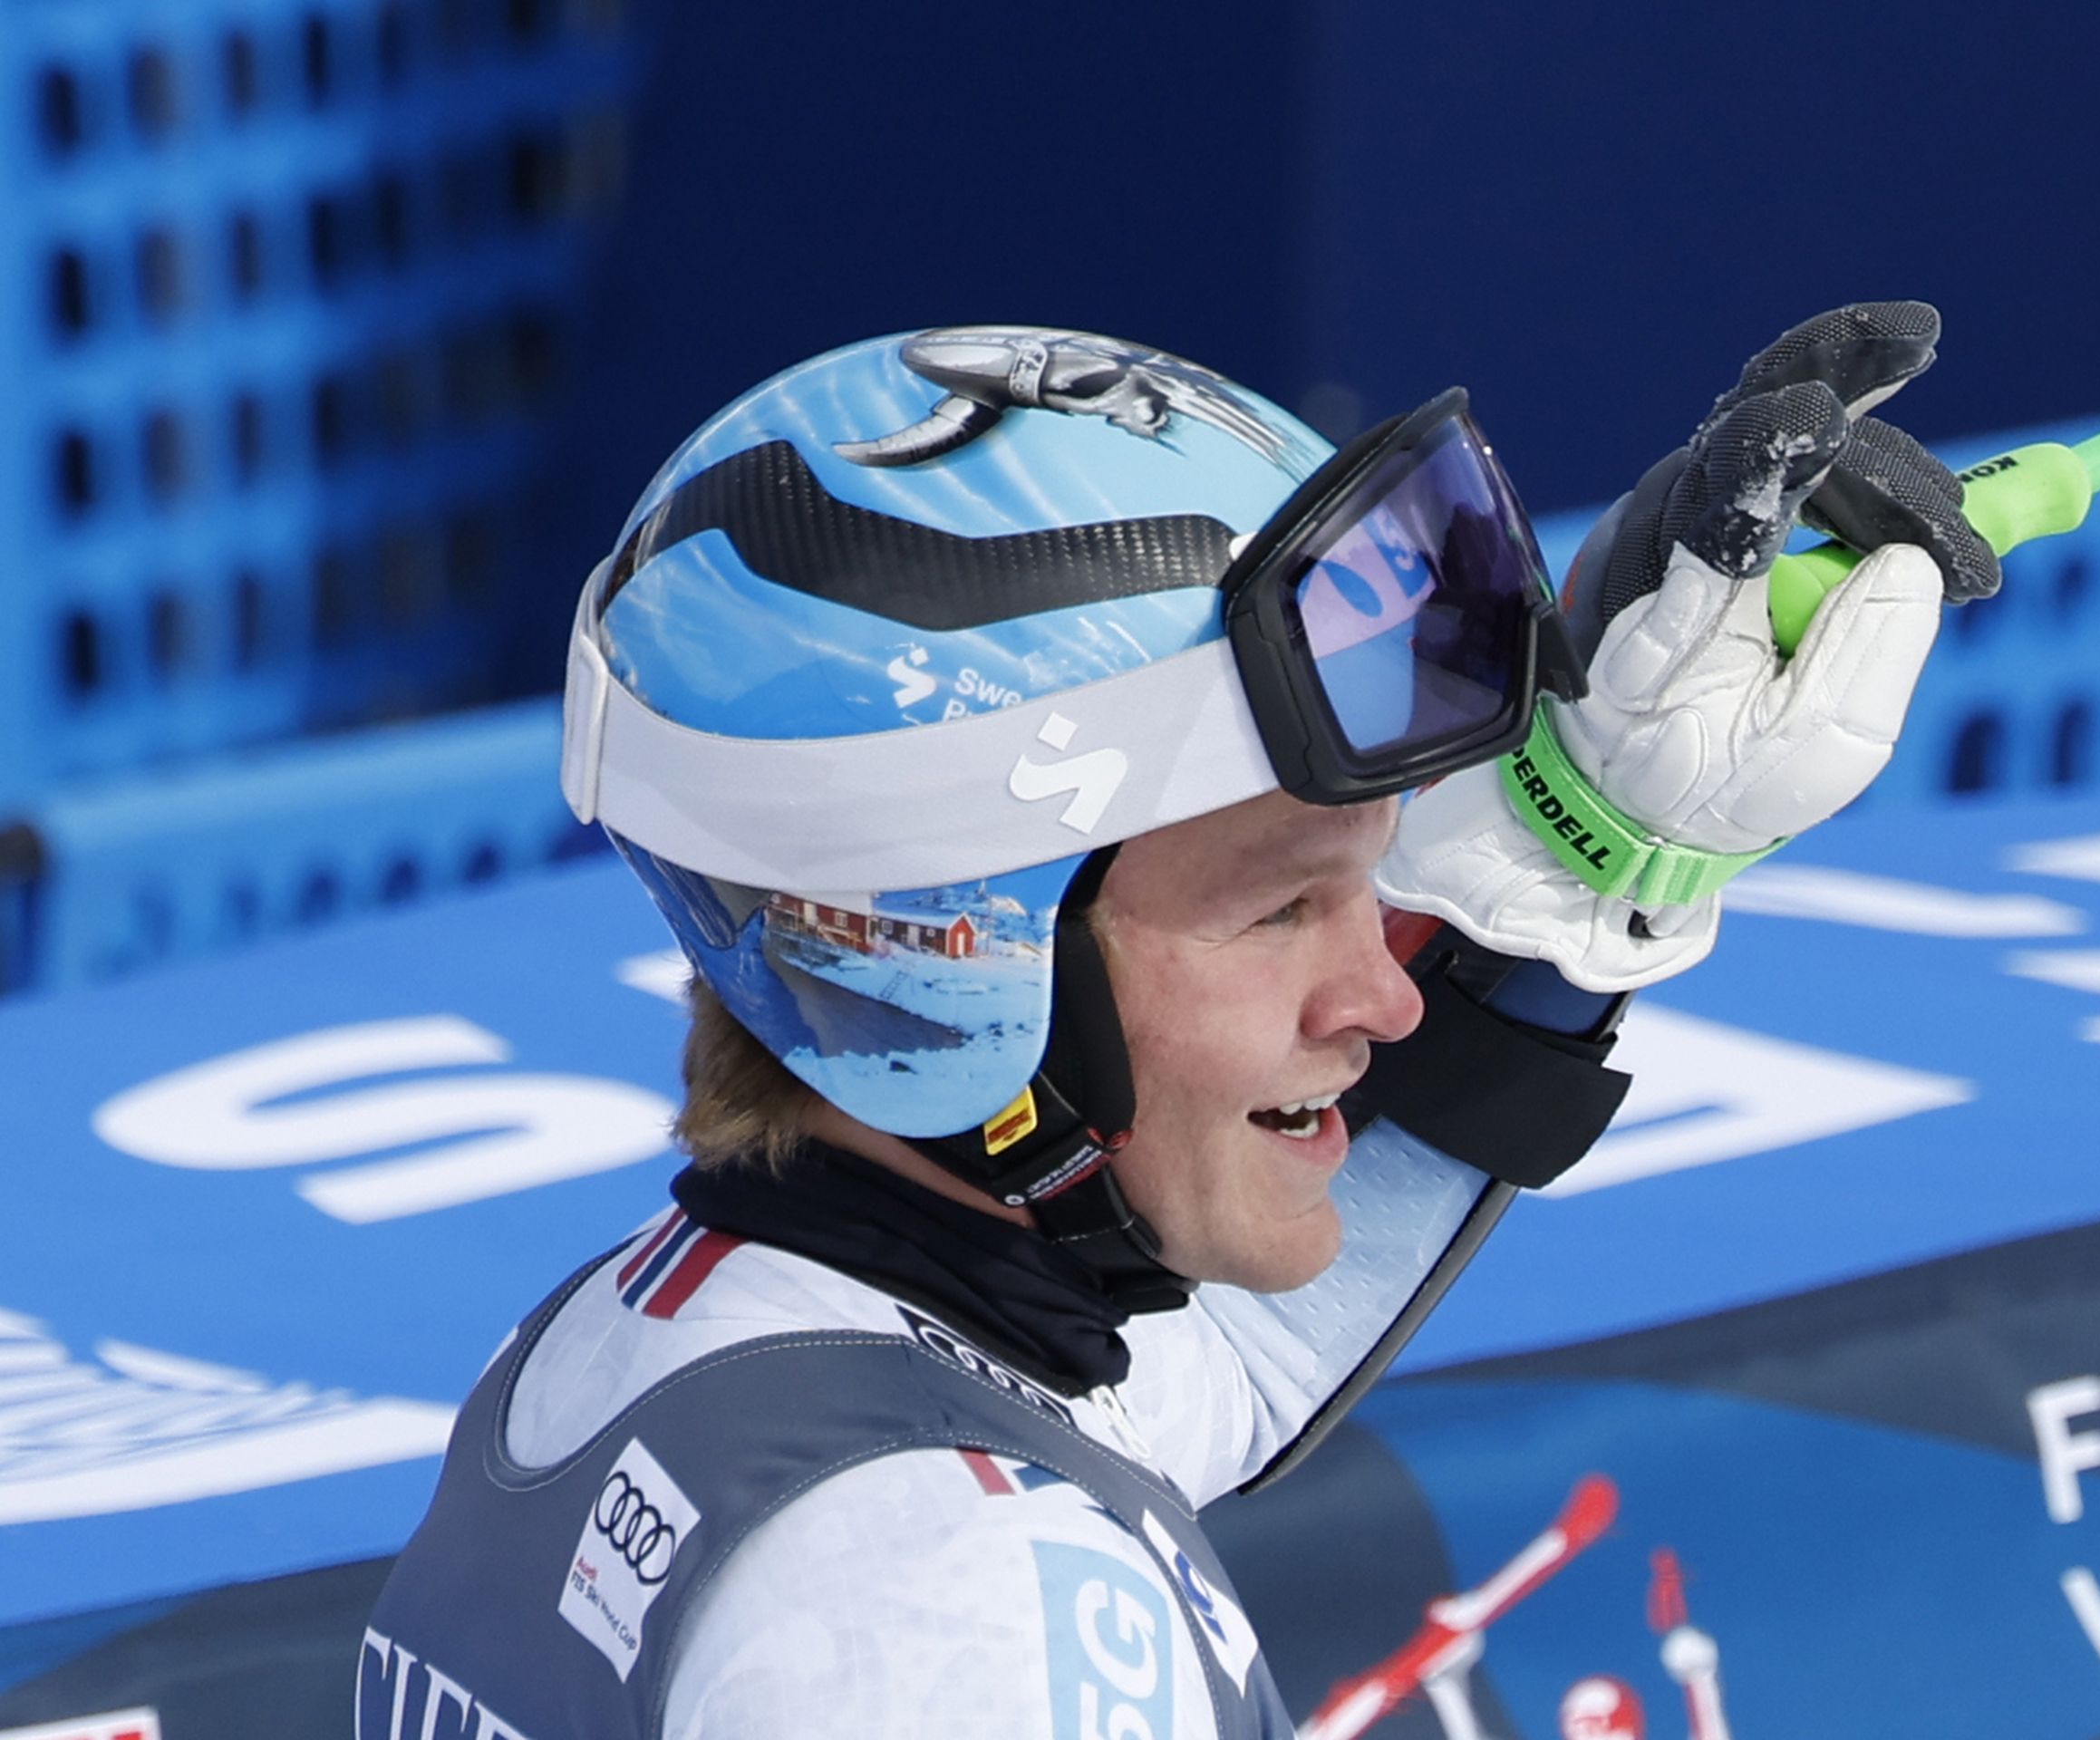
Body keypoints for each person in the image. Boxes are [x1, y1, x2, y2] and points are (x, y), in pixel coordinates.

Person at [357, 312, 1997, 1740]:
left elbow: (1220, 1367)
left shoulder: (668, 1346)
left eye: (1368, 885)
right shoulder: (967, 1600)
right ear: (951, 957)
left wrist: (1582, 857)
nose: (1382, 996)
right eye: (1279, 909)